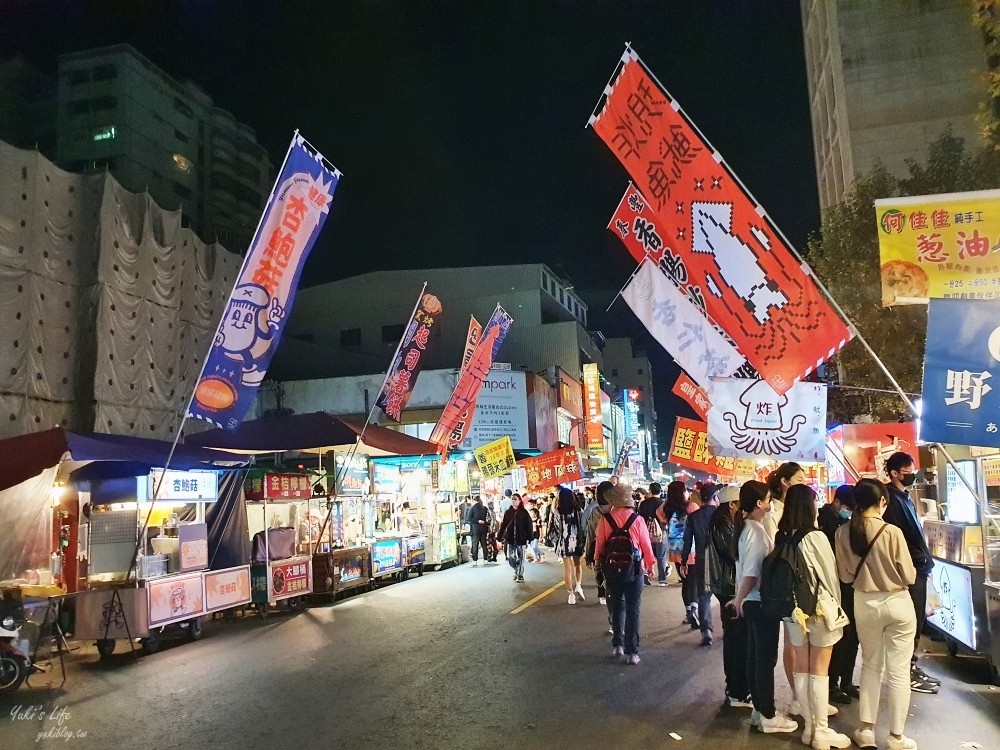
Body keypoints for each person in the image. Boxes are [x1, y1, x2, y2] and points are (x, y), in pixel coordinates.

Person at [835, 479, 918, 750]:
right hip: (897, 603)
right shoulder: (892, 532)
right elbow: (909, 574)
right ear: (882, 501)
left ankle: (866, 730)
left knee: (871, 664)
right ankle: (896, 737)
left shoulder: (842, 532)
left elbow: (845, 576)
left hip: (865, 603)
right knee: (899, 671)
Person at [777, 484, 851, 750]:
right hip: (819, 609)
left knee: (803, 666)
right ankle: (820, 731)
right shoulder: (815, 537)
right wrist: (838, 609)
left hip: (794, 610)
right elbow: (830, 578)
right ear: (809, 506)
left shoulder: (783, 535)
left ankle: (810, 727)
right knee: (820, 669)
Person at [729, 480, 798, 734]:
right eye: (768, 498)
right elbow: (751, 573)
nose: (771, 503)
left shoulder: (747, 528)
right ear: (759, 503)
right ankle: (768, 714)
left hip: (751, 603)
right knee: (764, 659)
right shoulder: (756, 532)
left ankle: (760, 711)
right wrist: (739, 600)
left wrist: (739, 599)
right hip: (758, 602)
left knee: (755, 657)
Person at [881, 452, 938, 695]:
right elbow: (901, 538)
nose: (912, 475)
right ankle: (907, 671)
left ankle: (910, 666)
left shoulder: (904, 497)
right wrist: (918, 560)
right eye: (907, 471)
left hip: (918, 567)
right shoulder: (891, 500)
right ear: (894, 473)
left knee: (916, 620)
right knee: (911, 622)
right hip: (910, 569)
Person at [595, 483, 656, 664]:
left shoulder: (606, 519)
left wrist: (598, 565)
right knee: (633, 608)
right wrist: (651, 565)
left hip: (612, 570)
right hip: (634, 569)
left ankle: (617, 646)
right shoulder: (637, 520)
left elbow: (599, 545)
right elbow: (646, 545)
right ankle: (633, 653)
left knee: (617, 606)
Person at [767, 462, 809, 716]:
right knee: (792, 641)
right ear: (784, 482)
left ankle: (804, 695)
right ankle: (797, 696)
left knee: (802, 639)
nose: (803, 483)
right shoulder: (775, 513)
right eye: (799, 479)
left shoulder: (800, 511)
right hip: (786, 582)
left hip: (804, 583)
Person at [709, 484, 751, 707]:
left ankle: (735, 687)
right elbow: (732, 553)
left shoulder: (724, 523)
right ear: (732, 504)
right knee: (735, 637)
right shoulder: (723, 526)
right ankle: (736, 690)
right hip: (727, 586)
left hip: (726, 586)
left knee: (734, 637)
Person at [822, 485, 860, 704]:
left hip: (850, 585)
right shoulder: (824, 521)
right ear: (837, 503)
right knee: (840, 637)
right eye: (847, 507)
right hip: (836, 587)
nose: (849, 511)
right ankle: (831, 684)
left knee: (852, 636)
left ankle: (846, 681)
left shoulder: (848, 522)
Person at [683, 482, 720, 646]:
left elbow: (687, 541)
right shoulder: (721, 514)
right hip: (720, 560)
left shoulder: (693, 516)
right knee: (725, 594)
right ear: (715, 497)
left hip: (701, 559)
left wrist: (684, 561)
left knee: (704, 596)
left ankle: (707, 631)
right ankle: (728, 627)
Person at [586, 480, 615, 630]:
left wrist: (588, 556)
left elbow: (590, 537)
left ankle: (613, 618)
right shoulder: (619, 510)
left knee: (609, 588)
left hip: (603, 555)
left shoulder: (595, 512)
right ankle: (618, 621)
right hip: (621, 555)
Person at [554, 486, 586, 603]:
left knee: (567, 569)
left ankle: (571, 594)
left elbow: (557, 527)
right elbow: (583, 526)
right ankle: (578, 585)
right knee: (578, 565)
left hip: (564, 541)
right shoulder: (579, 511)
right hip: (577, 540)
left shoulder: (558, 512)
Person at [637, 482, 668, 586]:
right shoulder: (663, 503)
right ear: (660, 491)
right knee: (661, 556)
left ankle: (645, 574)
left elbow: (639, 517)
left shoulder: (644, 503)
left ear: (650, 490)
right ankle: (662, 580)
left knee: (646, 553)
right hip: (661, 531)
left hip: (646, 531)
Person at [497, 493, 532, 583]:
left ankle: (520, 575)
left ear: (519, 501)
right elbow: (503, 525)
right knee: (511, 557)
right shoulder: (508, 512)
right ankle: (516, 569)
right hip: (511, 539)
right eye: (512, 499)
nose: (513, 500)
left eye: (515, 499)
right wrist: (499, 537)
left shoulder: (524, 512)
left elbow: (529, 526)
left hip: (521, 539)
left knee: (521, 558)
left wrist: (530, 537)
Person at [465, 496, 491, 567]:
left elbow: (468, 519)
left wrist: (477, 521)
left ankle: (475, 560)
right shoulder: (485, 508)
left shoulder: (472, 508)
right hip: (484, 529)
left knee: (475, 545)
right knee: (484, 544)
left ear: (474, 500)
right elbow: (489, 518)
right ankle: (485, 559)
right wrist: (483, 522)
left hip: (475, 529)